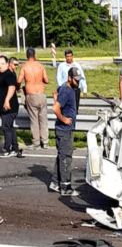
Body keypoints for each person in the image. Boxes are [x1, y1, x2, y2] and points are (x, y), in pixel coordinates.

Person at [49, 67, 80, 197]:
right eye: (75, 80)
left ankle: (55, 183)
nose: (77, 82)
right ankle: (65, 187)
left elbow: (55, 94)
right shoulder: (67, 91)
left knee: (61, 156)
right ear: (69, 78)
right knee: (66, 157)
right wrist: (64, 119)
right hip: (64, 129)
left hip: (62, 129)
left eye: (79, 80)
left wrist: (56, 98)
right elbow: (55, 108)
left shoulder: (63, 88)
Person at [16, 47, 50, 150]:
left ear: (27, 56)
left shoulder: (24, 67)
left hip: (31, 94)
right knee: (43, 119)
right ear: (34, 55)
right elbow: (47, 80)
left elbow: (19, 80)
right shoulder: (40, 66)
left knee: (34, 119)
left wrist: (18, 88)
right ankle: (45, 142)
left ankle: (36, 142)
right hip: (41, 94)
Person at [0, 55, 21, 157]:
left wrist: (7, 101)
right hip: (3, 107)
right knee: (10, 127)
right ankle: (15, 148)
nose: (0, 66)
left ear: (7, 64)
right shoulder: (1, 74)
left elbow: (12, 88)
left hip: (10, 106)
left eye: (2, 63)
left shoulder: (9, 75)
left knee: (6, 127)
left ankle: (7, 149)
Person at [56, 49, 88, 113]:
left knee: (75, 108)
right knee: (66, 107)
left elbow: (82, 78)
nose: (69, 58)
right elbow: (59, 78)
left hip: (75, 89)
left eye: (70, 56)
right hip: (66, 89)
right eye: (67, 56)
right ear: (65, 57)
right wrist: (62, 89)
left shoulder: (77, 65)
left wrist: (84, 89)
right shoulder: (61, 66)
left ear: (72, 56)